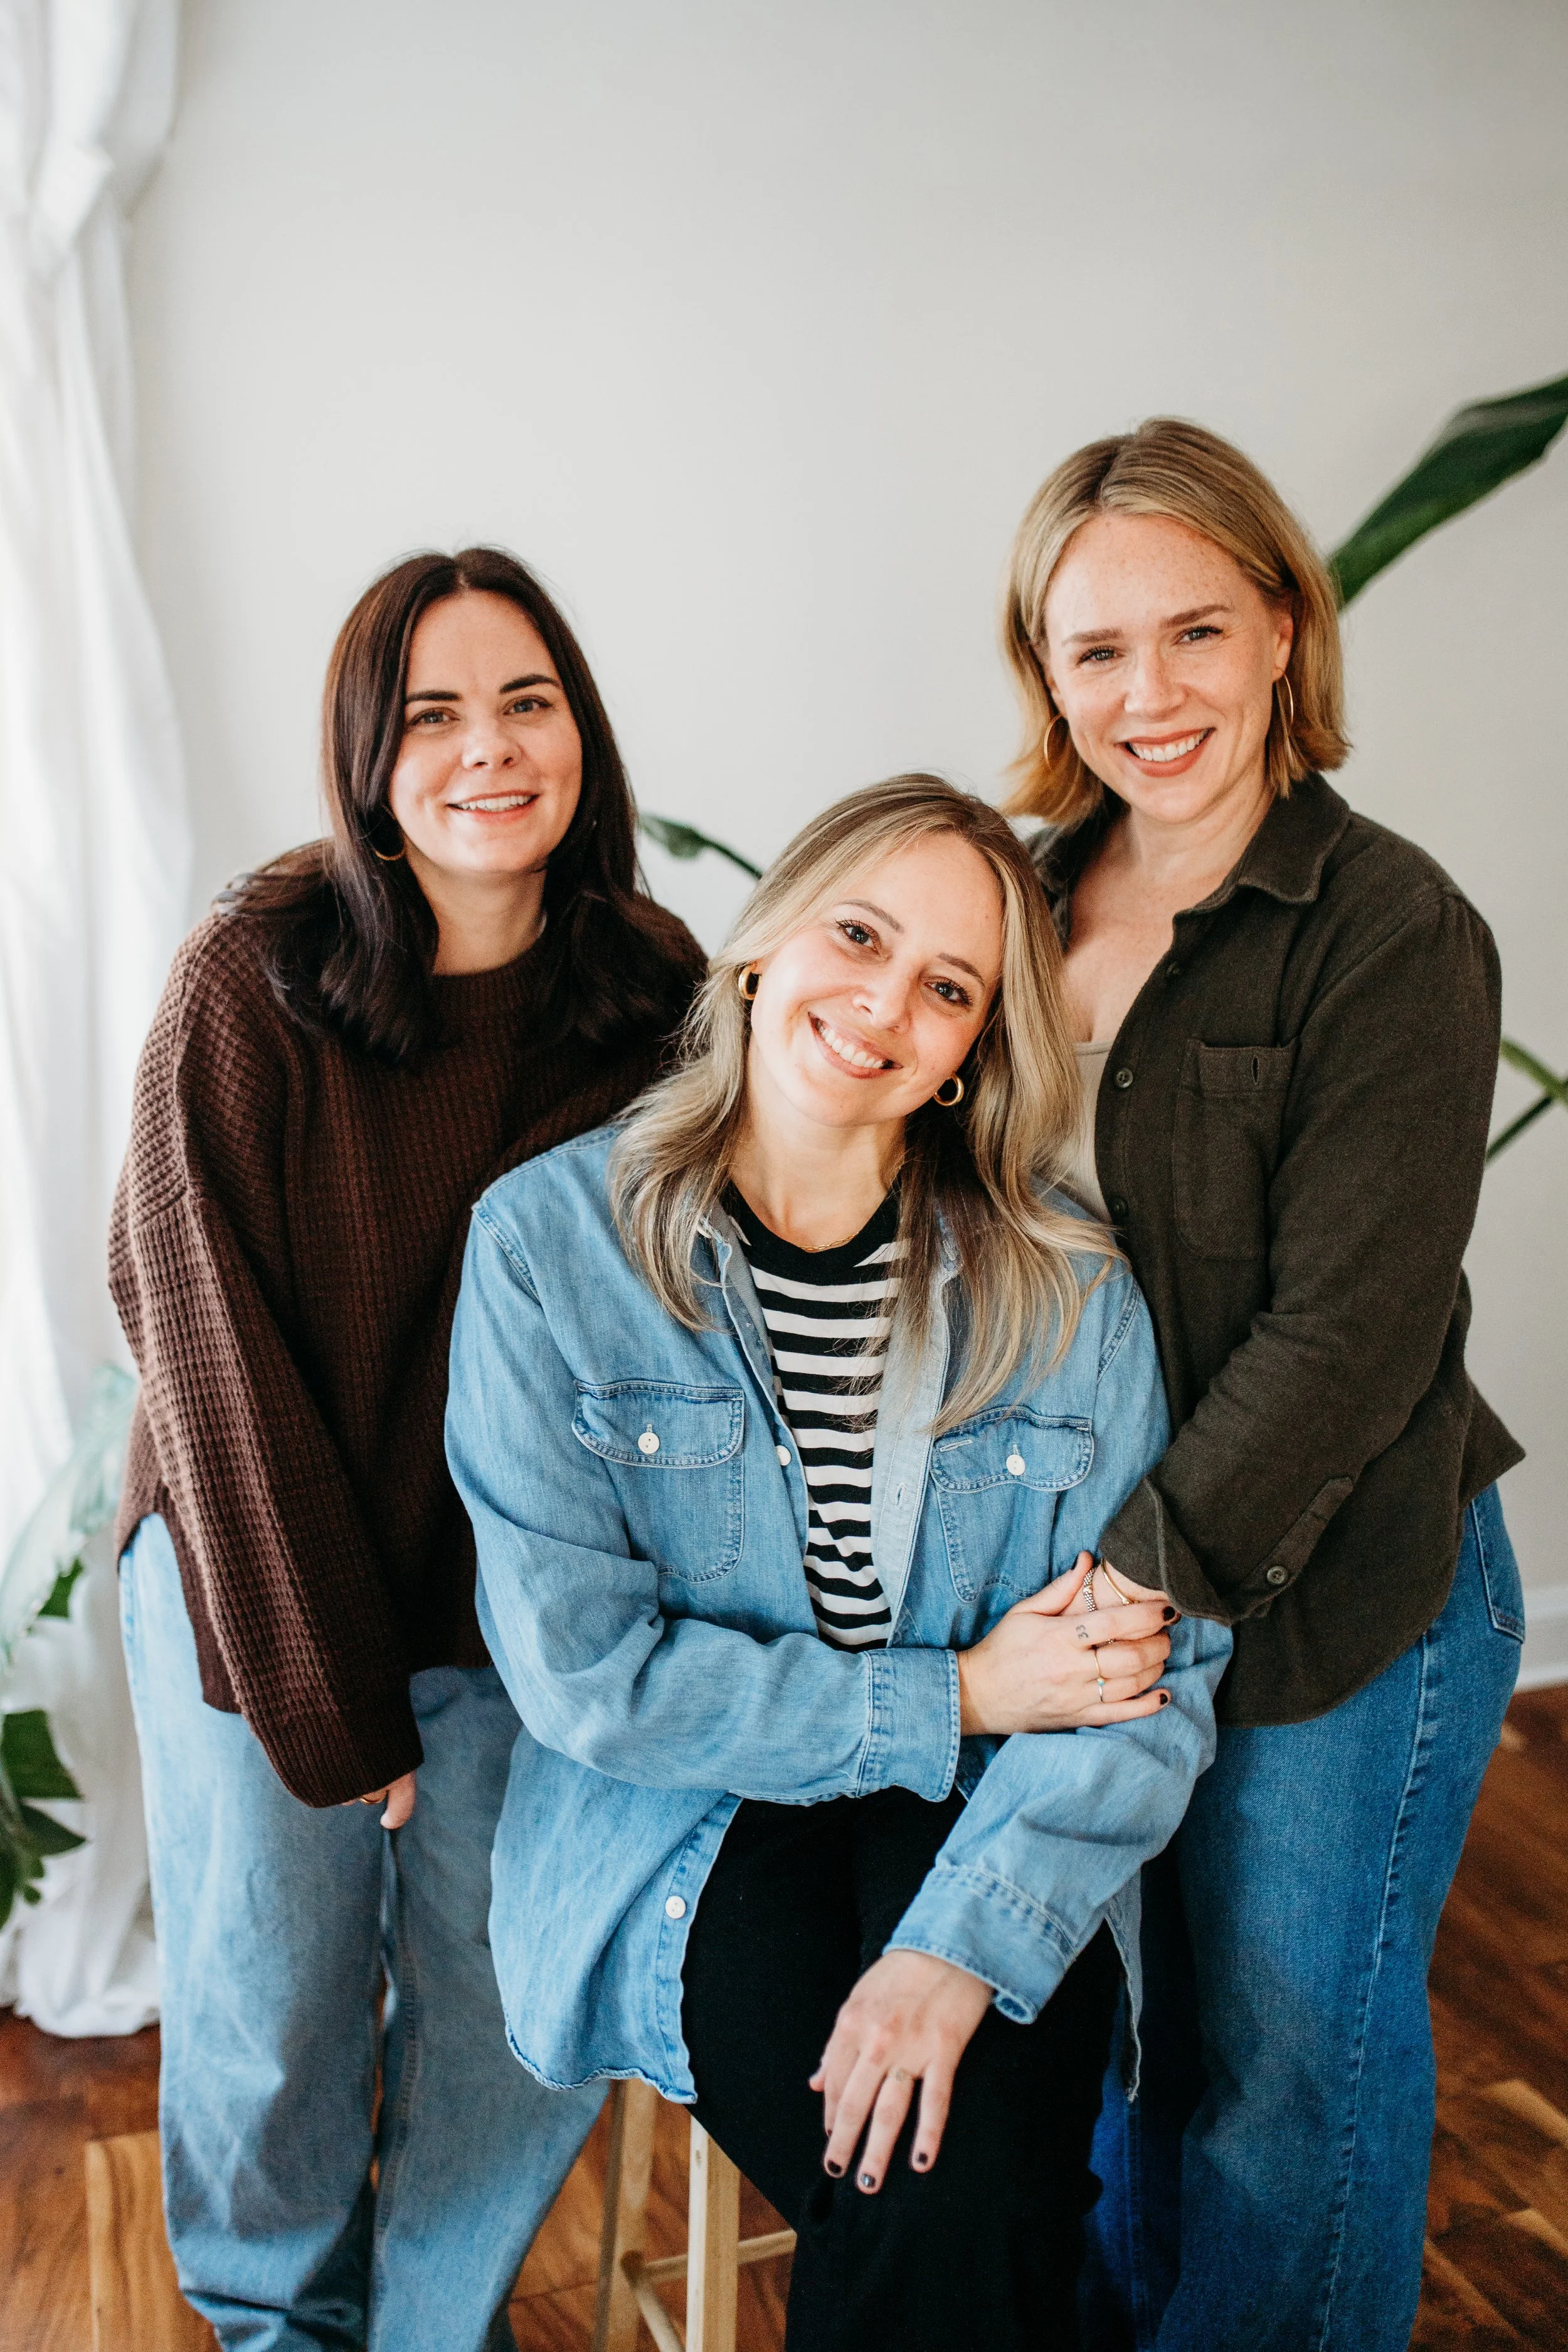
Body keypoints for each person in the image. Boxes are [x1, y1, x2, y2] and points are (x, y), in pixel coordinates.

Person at [446, 775, 1232, 2352]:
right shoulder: (550, 1247)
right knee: (955, 2186)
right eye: (856, 935)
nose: (884, 1004)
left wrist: (955, 1946)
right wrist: (950, 1692)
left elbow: (1148, 1677)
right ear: (759, 950)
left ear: (970, 1054)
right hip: (685, 1817)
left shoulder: (1068, 1289)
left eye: (947, 988)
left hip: (999, 1805)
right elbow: (588, 1679)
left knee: (951, 2165)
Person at [109, 548, 703, 2352]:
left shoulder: (655, 987)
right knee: (272, 1995)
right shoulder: (256, 970)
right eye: (430, 713)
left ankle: (431, 2327)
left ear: (580, 730)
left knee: (512, 1988)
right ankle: (277, 2323)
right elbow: (192, 1328)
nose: (487, 749)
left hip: (519, 1595)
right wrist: (328, 1690)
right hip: (252, 1552)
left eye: (526, 700)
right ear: (367, 755)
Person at [1000, 417, 1525, 2352]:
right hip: (1091, 1601)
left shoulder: (1389, 927)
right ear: (1042, 676)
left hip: (1338, 1594)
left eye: (1195, 631)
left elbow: (1346, 1333)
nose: (1150, 693)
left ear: (1285, 631)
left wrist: (1124, 1584)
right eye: (1095, 650)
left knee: (1292, 2068)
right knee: (1158, 2036)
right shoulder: (1012, 905)